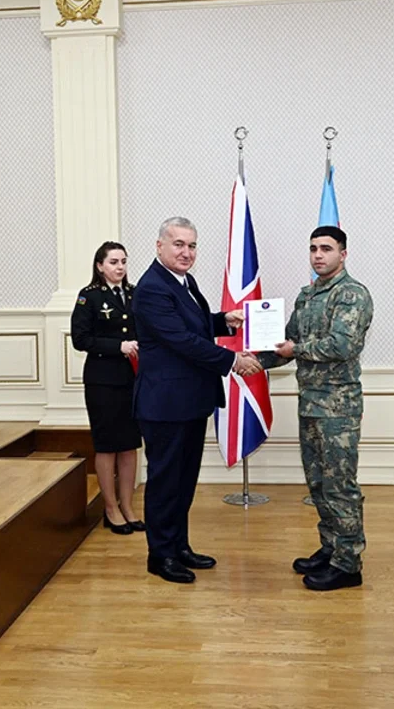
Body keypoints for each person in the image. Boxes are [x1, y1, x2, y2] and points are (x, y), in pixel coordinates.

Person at [132, 217, 259, 584]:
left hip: (189, 401)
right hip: (165, 404)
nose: (186, 252)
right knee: (165, 482)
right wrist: (232, 360)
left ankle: (179, 546)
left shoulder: (183, 282)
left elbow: (193, 325)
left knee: (184, 480)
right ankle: (161, 556)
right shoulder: (152, 288)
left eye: (191, 246)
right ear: (159, 246)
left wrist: (223, 320)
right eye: (178, 244)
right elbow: (180, 340)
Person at [257, 226, 374, 591]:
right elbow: (286, 344)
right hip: (310, 403)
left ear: (343, 254)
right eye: (313, 249)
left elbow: (342, 345)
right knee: (319, 484)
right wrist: (254, 359)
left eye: (326, 248)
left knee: (340, 486)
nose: (318, 255)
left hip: (338, 409)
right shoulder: (307, 295)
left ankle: (348, 564)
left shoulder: (352, 294)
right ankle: (331, 548)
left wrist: (296, 349)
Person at [71, 241, 145, 535]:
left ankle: (127, 506)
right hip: (102, 381)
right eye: (114, 262)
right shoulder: (89, 296)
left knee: (129, 445)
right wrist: (118, 346)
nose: (120, 267)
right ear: (100, 266)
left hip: (132, 379)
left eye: (123, 261)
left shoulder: (135, 293)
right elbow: (80, 339)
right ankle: (111, 508)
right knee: (107, 445)